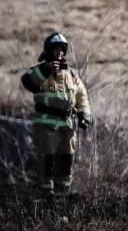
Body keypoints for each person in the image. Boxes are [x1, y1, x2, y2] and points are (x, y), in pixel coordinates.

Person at [20, 32, 92, 195]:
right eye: (56, 49)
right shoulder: (40, 71)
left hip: (67, 126)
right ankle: (45, 194)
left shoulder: (71, 74)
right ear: (48, 51)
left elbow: (81, 95)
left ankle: (63, 194)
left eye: (62, 50)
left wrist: (84, 114)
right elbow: (27, 82)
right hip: (46, 126)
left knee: (67, 159)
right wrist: (46, 69)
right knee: (47, 160)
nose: (59, 53)